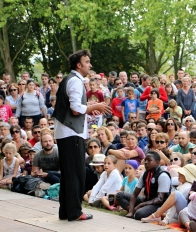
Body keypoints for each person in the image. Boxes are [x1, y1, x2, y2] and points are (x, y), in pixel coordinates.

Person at [53, 49, 111, 221]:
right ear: (79, 65)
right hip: (71, 133)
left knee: (69, 173)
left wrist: (89, 109)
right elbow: (76, 109)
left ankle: (66, 211)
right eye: (87, 62)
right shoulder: (75, 81)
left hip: (66, 132)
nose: (90, 65)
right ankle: (75, 212)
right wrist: (96, 107)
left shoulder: (69, 79)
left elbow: (77, 108)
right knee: (76, 173)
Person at [116, 151, 172, 220]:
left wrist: (141, 205)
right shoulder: (145, 174)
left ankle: (142, 212)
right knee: (119, 195)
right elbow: (135, 194)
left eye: (149, 160)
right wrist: (130, 211)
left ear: (157, 163)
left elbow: (160, 199)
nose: (146, 162)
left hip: (159, 204)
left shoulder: (163, 175)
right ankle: (132, 211)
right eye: (145, 160)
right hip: (147, 200)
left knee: (139, 214)